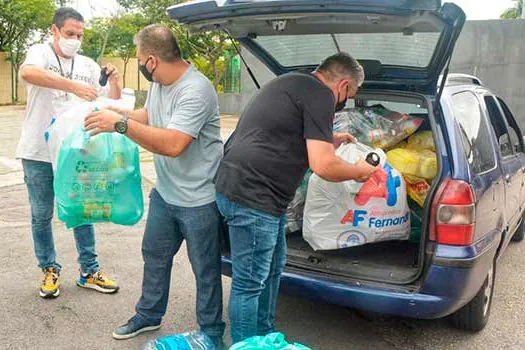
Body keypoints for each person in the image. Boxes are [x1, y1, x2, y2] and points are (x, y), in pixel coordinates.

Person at [214, 52, 378, 344]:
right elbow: (323, 165)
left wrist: (331, 137)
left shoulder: (291, 82)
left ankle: (265, 336)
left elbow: (279, 128)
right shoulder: (321, 95)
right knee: (250, 282)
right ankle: (246, 344)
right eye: (350, 94)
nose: (346, 100)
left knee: (273, 268)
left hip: (244, 188)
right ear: (342, 85)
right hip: (254, 196)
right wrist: (358, 171)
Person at [83, 24, 225, 347]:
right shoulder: (161, 83)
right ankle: (148, 314)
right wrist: (113, 115)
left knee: (205, 268)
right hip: (166, 192)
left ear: (151, 61)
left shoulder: (196, 90)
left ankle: (212, 333)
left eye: (139, 59)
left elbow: (174, 143)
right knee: (154, 254)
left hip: (199, 198)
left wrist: (120, 125)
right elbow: (148, 115)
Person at [17, 7, 121, 299]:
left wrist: (114, 80)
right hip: (38, 150)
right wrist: (71, 85)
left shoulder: (87, 64)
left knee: (81, 211)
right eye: (70, 33)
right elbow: (27, 72)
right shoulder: (40, 53)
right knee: (41, 214)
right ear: (54, 31)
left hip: (75, 152)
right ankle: (49, 269)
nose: (75, 39)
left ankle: (89, 270)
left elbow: (110, 100)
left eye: (80, 34)